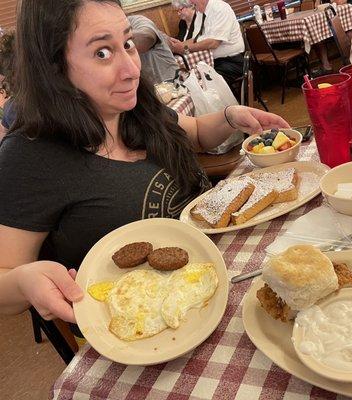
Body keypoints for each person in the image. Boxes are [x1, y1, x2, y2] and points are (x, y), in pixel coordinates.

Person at [0, 0, 289, 325]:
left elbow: (194, 133)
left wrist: (230, 117)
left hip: (224, 275)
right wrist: (25, 281)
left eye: (127, 44)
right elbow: (4, 276)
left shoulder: (136, 108)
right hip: (142, 324)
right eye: (102, 53)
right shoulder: (30, 154)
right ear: (53, 67)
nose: (132, 70)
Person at [167, 0, 245, 85]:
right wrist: (179, 45)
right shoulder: (200, 13)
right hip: (210, 62)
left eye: (192, 2)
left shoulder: (220, 8)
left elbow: (214, 43)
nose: (190, 4)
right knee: (188, 83)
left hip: (231, 61)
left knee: (205, 85)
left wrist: (185, 48)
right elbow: (195, 39)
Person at [127, 14, 178, 83]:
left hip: (169, 83)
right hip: (146, 88)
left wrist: (115, 39)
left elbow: (146, 37)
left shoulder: (136, 20)